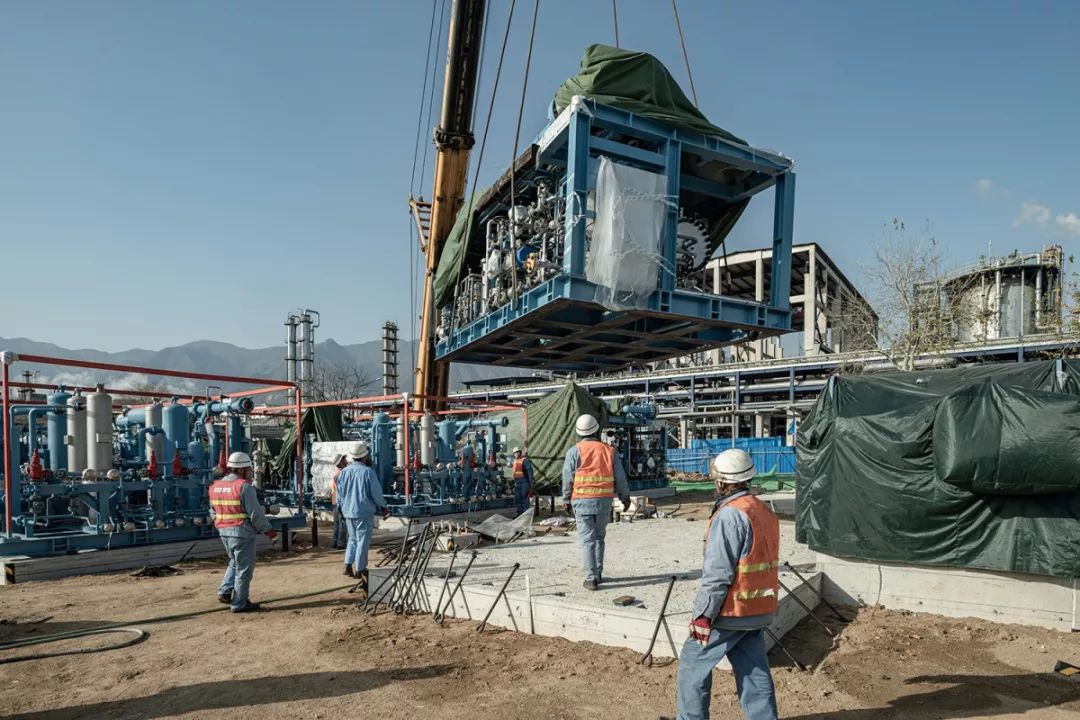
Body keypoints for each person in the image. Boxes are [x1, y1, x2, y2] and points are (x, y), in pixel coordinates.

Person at [674, 448, 780, 720]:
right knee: (753, 670)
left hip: (731, 612)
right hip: (758, 609)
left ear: (722, 481)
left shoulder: (730, 515)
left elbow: (718, 575)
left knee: (693, 663)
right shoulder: (762, 510)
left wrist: (703, 616)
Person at [561, 414, 630, 591]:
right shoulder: (609, 451)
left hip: (582, 503)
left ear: (579, 433)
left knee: (587, 540)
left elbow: (567, 478)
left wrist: (566, 499)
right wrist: (625, 497)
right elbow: (620, 477)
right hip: (603, 503)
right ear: (596, 429)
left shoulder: (573, 452)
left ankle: (591, 578)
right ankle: (598, 573)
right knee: (599, 538)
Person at [209, 451, 277, 613]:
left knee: (234, 562)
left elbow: (212, 512)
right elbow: (256, 515)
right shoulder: (244, 487)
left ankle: (225, 592)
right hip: (241, 532)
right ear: (240, 470)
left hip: (223, 532)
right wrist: (270, 532)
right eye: (248, 469)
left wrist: (223, 524)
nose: (250, 472)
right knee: (244, 568)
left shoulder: (215, 486)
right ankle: (239, 603)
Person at [335, 441, 389, 599]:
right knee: (362, 541)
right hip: (363, 512)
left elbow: (340, 492)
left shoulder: (344, 472)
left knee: (352, 539)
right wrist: (384, 506)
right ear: (365, 456)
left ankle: (347, 565)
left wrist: (340, 506)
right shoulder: (368, 473)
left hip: (347, 511)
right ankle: (360, 569)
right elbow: (376, 494)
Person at [329, 453, 349, 549]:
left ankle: (335, 541)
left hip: (334, 501)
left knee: (337, 523)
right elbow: (343, 490)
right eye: (344, 460)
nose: (346, 461)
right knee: (343, 523)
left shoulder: (334, 473)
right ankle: (341, 543)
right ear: (340, 462)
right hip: (340, 501)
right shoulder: (341, 474)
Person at [511, 447, 533, 516]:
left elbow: (530, 472)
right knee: (518, 499)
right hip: (517, 483)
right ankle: (519, 515)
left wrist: (531, 484)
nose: (517, 453)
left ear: (520, 452)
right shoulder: (514, 461)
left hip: (524, 482)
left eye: (518, 452)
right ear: (513, 454)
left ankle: (526, 516)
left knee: (524, 499)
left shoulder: (525, 461)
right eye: (515, 452)